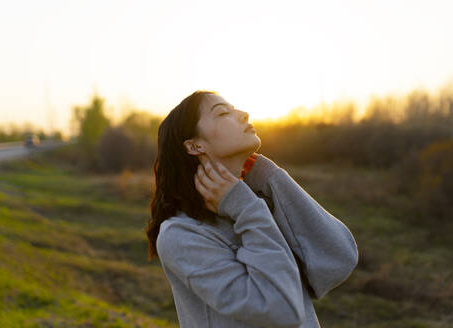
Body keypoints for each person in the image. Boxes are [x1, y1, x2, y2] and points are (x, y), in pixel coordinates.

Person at [144, 90, 359, 328]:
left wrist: (269, 176)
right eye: (223, 113)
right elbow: (281, 311)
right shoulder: (181, 234)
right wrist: (245, 207)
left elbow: (339, 259)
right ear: (195, 146)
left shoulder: (259, 199)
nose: (244, 115)